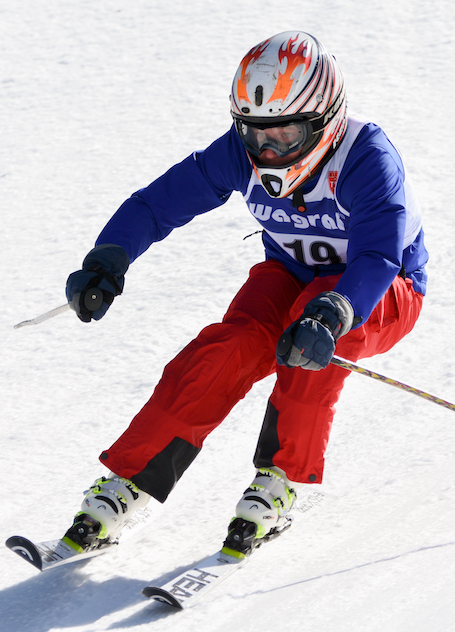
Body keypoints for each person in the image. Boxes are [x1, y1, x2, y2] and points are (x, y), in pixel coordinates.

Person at [61, 31, 428, 558]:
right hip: (292, 274)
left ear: (325, 120)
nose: (268, 150)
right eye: (256, 134)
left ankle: (283, 480)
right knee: (227, 349)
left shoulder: (366, 159)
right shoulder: (239, 152)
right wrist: (106, 261)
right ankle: (131, 480)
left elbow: (377, 257)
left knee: (309, 340)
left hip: (379, 292)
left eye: (286, 133)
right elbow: (158, 204)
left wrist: (334, 313)